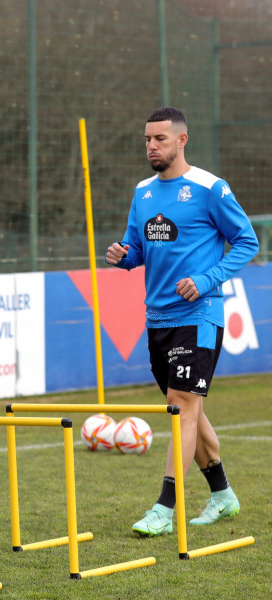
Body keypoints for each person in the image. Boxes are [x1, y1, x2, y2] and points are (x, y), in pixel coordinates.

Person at [105, 107, 258, 537]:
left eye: (160, 139)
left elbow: (247, 240)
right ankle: (223, 494)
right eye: (147, 140)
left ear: (182, 140)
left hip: (200, 315)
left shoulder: (210, 188)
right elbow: (137, 248)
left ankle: (165, 506)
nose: (152, 146)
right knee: (186, 408)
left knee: (183, 407)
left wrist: (207, 280)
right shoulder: (143, 192)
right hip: (157, 319)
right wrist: (123, 257)